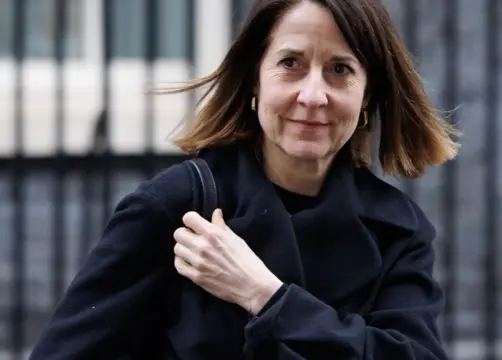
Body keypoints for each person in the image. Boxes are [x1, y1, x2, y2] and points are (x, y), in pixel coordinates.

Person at [29, 0, 460, 359]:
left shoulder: (397, 230)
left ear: (368, 94)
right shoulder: (178, 208)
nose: (312, 95)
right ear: (254, 78)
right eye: (290, 63)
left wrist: (267, 296)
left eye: (340, 69)